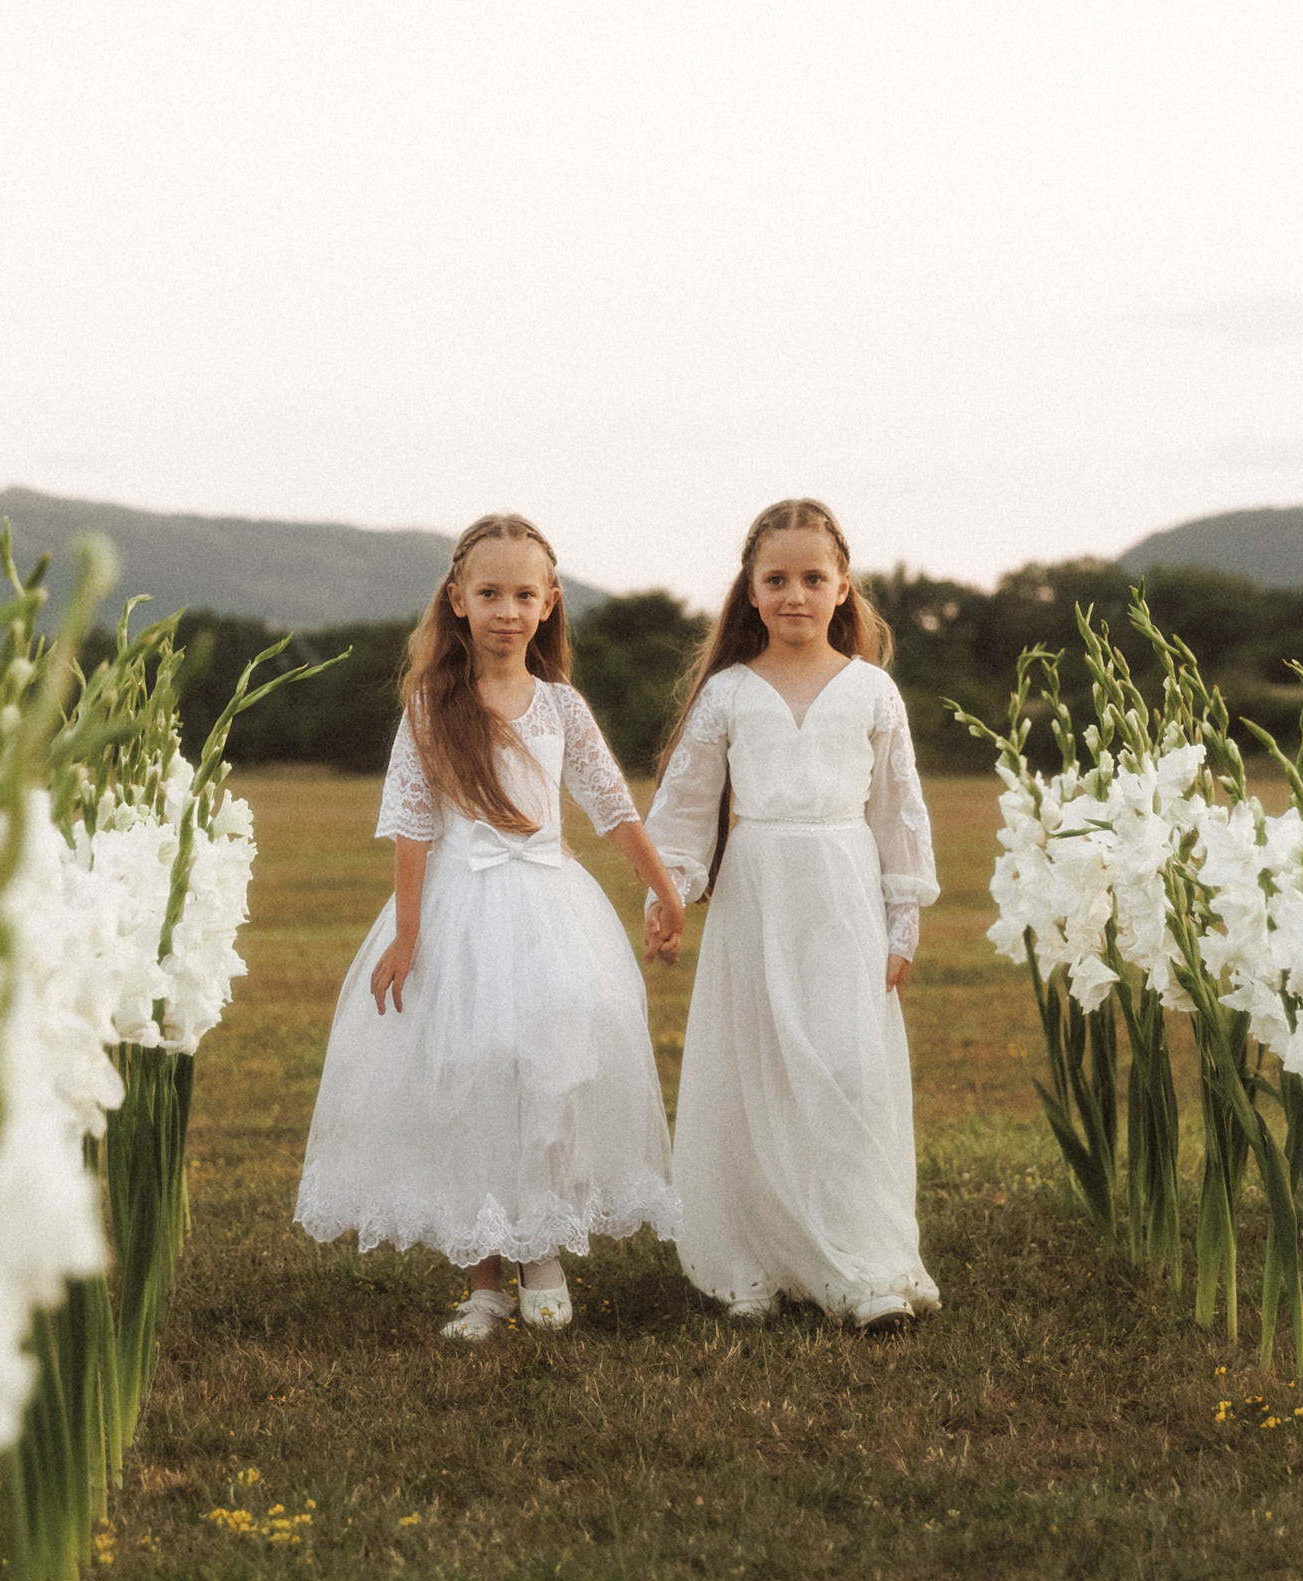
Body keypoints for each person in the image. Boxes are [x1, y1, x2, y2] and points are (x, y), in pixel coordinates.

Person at [296, 513, 685, 1340]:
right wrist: (407, 934)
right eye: (489, 593)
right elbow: (411, 821)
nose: (507, 609)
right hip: (459, 912)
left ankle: (540, 1245)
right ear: (458, 601)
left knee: (552, 1068)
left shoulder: (562, 707)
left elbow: (610, 804)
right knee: (467, 1077)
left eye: (523, 593)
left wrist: (662, 888)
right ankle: (484, 1281)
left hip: (549, 910)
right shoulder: (432, 707)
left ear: (549, 604)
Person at [645, 498, 940, 1331]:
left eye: (814, 578)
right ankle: (758, 1258)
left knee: (845, 1068)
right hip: (759, 895)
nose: (795, 595)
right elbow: (687, 804)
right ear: (750, 588)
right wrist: (668, 898)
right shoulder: (729, 694)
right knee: (761, 1070)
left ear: (844, 587)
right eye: (776, 579)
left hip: (844, 893)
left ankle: (860, 1261)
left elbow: (899, 813)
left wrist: (903, 920)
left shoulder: (874, 692)